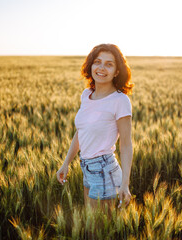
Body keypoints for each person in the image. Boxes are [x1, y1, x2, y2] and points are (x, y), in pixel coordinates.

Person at [56, 43, 134, 210]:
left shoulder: (120, 100)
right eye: (97, 62)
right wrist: (66, 163)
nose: (101, 68)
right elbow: (81, 133)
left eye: (109, 64)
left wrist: (125, 185)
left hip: (105, 170)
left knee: (98, 229)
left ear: (117, 71)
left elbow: (126, 144)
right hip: (86, 167)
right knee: (90, 223)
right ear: (91, 65)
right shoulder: (86, 95)